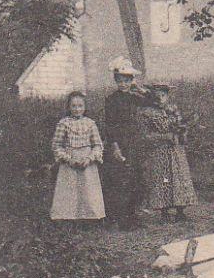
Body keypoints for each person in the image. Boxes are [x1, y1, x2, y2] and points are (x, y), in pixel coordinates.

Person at [101, 57, 150, 230]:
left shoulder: (133, 97)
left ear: (131, 81)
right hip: (119, 143)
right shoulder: (112, 100)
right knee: (121, 180)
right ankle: (119, 219)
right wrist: (114, 145)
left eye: (127, 81)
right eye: (120, 81)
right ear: (115, 81)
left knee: (137, 179)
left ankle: (132, 216)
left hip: (134, 142)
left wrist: (139, 88)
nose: (123, 84)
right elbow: (109, 125)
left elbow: (153, 100)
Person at [137, 83, 197, 220]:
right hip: (160, 151)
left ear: (168, 96)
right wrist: (164, 137)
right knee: (163, 179)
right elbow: (146, 136)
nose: (160, 99)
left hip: (176, 151)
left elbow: (181, 126)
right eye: (156, 96)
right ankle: (164, 211)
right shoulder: (147, 113)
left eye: (163, 96)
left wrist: (182, 131)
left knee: (178, 178)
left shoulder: (172, 110)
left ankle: (180, 210)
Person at [50, 92, 105, 222]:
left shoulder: (90, 123)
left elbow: (97, 145)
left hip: (87, 160)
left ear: (85, 107)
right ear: (69, 107)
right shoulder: (63, 123)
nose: (77, 109)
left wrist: (89, 158)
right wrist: (68, 159)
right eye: (73, 106)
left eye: (80, 106)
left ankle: (90, 219)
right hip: (70, 161)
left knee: (88, 189)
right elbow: (56, 145)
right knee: (70, 189)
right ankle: (68, 219)